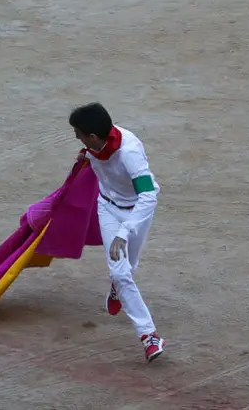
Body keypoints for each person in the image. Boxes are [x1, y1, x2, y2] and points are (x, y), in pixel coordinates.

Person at [69, 102, 167, 363]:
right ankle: (148, 334)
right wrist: (86, 157)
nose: (76, 137)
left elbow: (148, 195)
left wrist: (125, 230)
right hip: (108, 209)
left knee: (129, 268)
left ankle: (118, 289)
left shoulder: (130, 151)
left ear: (93, 135)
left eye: (78, 133)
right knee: (120, 271)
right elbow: (98, 161)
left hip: (136, 213)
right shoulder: (96, 145)